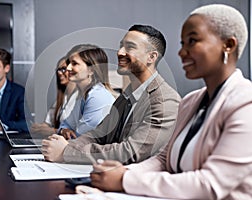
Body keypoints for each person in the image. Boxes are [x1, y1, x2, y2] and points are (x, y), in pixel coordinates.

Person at [90, 4, 252, 199]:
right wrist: (126, 173)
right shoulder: (191, 102)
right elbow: (163, 159)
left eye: (192, 41)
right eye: (182, 43)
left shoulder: (246, 103)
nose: (182, 52)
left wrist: (125, 180)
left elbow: (209, 185)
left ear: (229, 45)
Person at [42, 25, 180, 164]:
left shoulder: (165, 101)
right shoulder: (126, 96)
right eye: (121, 46)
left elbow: (130, 152)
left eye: (130, 47)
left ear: (151, 57)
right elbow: (98, 134)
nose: (120, 52)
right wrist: (63, 147)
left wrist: (67, 152)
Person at [54, 44, 116, 139]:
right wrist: (64, 130)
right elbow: (65, 124)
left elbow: (81, 137)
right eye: (69, 63)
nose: (68, 68)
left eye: (74, 63)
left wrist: (68, 133)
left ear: (91, 70)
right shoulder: (83, 96)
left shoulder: (98, 97)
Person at [30, 56, 77, 136]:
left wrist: (54, 131)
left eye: (63, 69)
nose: (59, 73)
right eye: (58, 70)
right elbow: (47, 123)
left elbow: (77, 133)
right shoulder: (61, 99)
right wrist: (38, 128)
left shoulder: (81, 98)